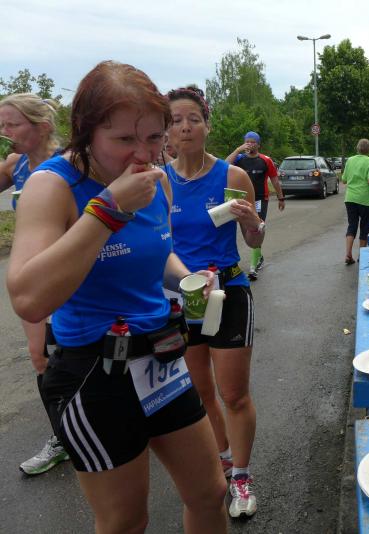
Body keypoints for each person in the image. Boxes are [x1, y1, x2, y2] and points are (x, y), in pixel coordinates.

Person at [6, 61, 227, 533]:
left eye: (154, 137)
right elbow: (28, 298)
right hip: (94, 370)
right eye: (124, 139)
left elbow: (158, 255)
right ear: (86, 132)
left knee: (210, 494)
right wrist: (108, 209)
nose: (142, 154)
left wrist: (188, 279)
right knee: (125, 521)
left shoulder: (157, 180)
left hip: (161, 358)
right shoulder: (52, 185)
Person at [166, 86, 262, 518]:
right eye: (176, 120)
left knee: (234, 394)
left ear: (207, 125)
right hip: (182, 296)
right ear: (166, 131)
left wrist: (254, 223)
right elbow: (155, 246)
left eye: (194, 119)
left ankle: (241, 476)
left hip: (228, 292)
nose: (185, 127)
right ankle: (223, 459)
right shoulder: (159, 182)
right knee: (200, 391)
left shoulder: (232, 177)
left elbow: (253, 240)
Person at [0, 93, 70, 475]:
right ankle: (62, 438)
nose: (4, 132)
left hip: (73, 275)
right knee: (40, 356)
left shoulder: (70, 163)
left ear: (41, 127)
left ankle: (107, 423)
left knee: (83, 353)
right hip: (33, 278)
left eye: (12, 124)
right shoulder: (16, 164)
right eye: (1, 125)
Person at [225, 131, 285, 281]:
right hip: (241, 199)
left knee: (257, 228)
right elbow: (224, 166)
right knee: (246, 231)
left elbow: (275, 180)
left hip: (260, 199)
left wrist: (281, 198)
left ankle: (253, 266)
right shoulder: (239, 158)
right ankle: (258, 256)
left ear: (258, 145)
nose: (250, 144)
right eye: (247, 142)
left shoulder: (266, 160)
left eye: (253, 142)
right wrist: (237, 150)